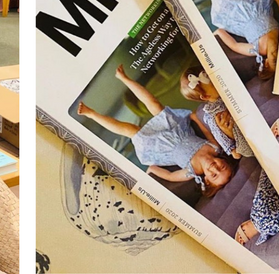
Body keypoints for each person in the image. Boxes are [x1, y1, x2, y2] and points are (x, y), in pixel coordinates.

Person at [76, 65, 235, 196]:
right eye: (221, 167)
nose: (214, 167)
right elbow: (208, 133)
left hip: (163, 146)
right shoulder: (215, 148)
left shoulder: (191, 172)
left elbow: (171, 176)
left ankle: (92, 114)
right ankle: (124, 78)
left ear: (207, 180)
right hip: (178, 130)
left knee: (131, 130)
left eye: (214, 174)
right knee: (154, 104)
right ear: (223, 160)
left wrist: (151, 170)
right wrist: (195, 119)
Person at [179, 67, 254, 159]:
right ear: (206, 96)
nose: (218, 82)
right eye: (214, 85)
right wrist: (232, 149)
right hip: (240, 137)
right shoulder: (212, 114)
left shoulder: (226, 89)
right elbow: (218, 134)